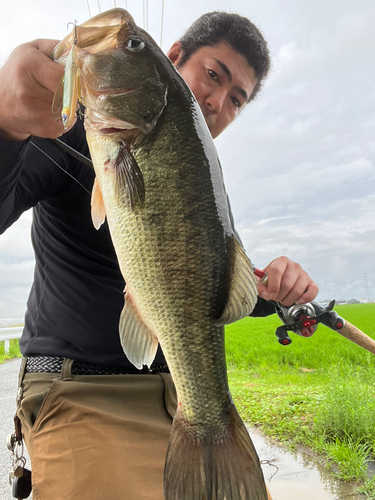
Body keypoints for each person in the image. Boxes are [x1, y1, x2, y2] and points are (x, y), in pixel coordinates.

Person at [0, 10, 318, 500]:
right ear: (173, 60)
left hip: (180, 398)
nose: (218, 103)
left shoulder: (202, 182)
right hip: (81, 393)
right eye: (214, 76)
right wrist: (5, 123)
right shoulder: (66, 132)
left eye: (238, 100)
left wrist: (273, 292)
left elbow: (201, 289)